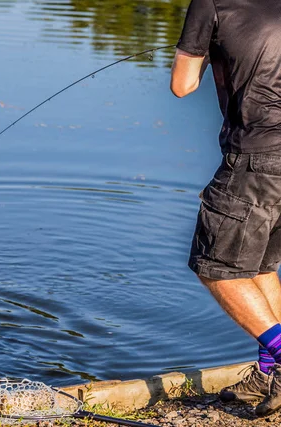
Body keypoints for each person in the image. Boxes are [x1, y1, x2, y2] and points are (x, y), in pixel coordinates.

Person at [171, 0, 281, 417]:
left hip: (255, 157)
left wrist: (198, 47)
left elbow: (183, 85)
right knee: (260, 268)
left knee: (214, 267)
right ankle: (267, 377)